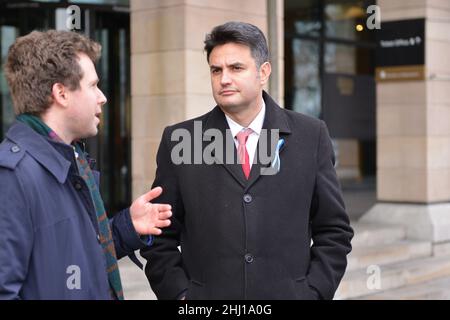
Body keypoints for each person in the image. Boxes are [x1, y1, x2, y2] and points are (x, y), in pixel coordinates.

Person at [141, 21, 353, 300]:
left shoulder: (311, 136)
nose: (224, 79)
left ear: (263, 72)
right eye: (216, 70)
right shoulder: (180, 139)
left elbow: (334, 231)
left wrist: (313, 292)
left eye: (236, 68)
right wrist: (181, 296)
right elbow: (159, 237)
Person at [0, 30, 172, 300]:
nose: (102, 97)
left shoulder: (70, 161)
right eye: (93, 85)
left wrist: (127, 227)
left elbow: (73, 260)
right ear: (61, 94)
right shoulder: (11, 176)